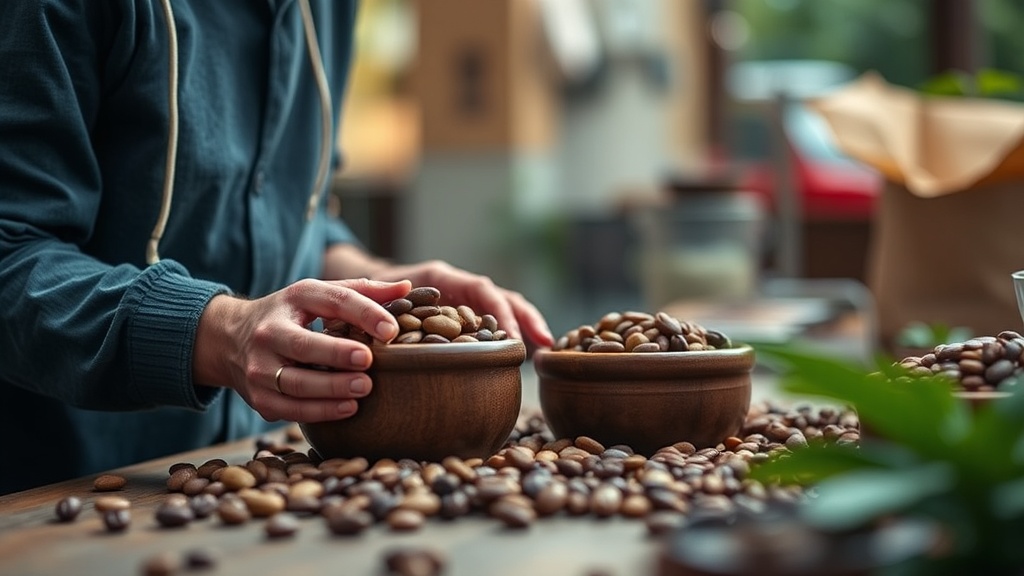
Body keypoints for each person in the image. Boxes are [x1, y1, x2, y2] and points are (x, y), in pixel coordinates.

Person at [0, 0, 553, 495]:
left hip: (248, 469)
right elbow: (13, 250)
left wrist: (375, 282)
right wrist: (223, 333)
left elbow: (294, 218)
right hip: (54, 492)